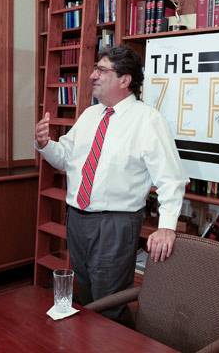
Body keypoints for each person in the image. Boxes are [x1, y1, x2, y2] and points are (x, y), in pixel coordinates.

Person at [35, 45, 188, 326]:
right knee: (88, 297)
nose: (93, 75)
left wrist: (167, 226)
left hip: (114, 224)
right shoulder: (90, 115)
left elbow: (172, 178)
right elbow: (66, 158)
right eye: (95, 69)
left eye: (101, 69)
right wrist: (45, 145)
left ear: (124, 79)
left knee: (109, 304)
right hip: (77, 219)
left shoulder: (148, 121)